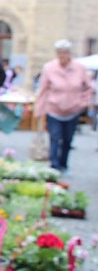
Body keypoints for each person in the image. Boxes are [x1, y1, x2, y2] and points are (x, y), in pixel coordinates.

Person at [34, 39, 93, 172]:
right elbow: (43, 89)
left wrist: (83, 102)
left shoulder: (79, 68)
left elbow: (88, 88)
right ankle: (54, 164)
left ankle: (63, 163)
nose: (62, 55)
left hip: (73, 109)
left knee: (67, 139)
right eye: (60, 52)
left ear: (69, 53)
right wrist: (39, 109)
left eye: (65, 52)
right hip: (54, 108)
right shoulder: (49, 68)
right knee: (54, 137)